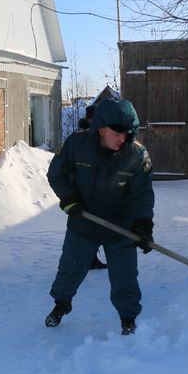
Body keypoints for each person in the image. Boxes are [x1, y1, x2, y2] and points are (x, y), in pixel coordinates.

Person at [45, 99, 155, 335]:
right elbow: (57, 174)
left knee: (125, 277)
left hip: (120, 227)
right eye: (117, 133)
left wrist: (143, 224)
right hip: (83, 222)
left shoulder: (136, 154)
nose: (122, 139)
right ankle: (61, 305)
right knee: (70, 269)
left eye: (127, 133)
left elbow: (142, 194)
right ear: (101, 128)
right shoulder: (77, 143)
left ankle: (128, 319)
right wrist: (69, 199)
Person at [75, 104, 108, 270]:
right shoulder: (80, 138)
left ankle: (91, 258)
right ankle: (85, 259)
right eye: (93, 118)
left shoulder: (100, 136)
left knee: (97, 227)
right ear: (89, 119)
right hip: (83, 191)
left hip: (98, 191)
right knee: (86, 228)